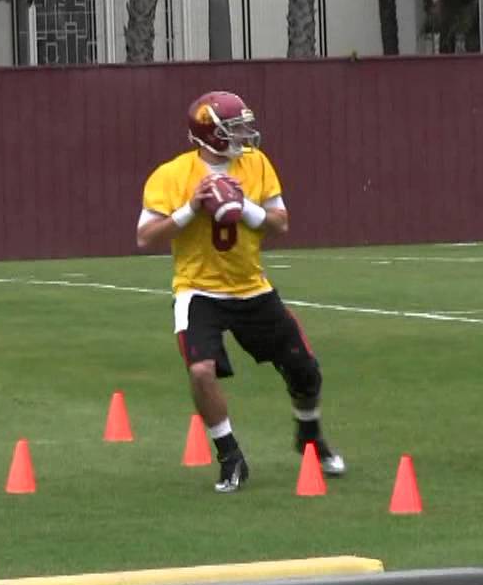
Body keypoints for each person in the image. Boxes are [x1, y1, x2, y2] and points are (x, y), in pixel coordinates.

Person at [135, 90, 345, 493]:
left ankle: (310, 436)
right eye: (233, 128)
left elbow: (280, 223)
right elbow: (145, 236)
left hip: (252, 286)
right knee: (200, 371)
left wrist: (242, 205)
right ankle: (230, 455)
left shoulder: (256, 164)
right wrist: (192, 208)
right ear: (209, 133)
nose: (244, 135)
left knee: (305, 369)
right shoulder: (173, 175)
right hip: (199, 290)